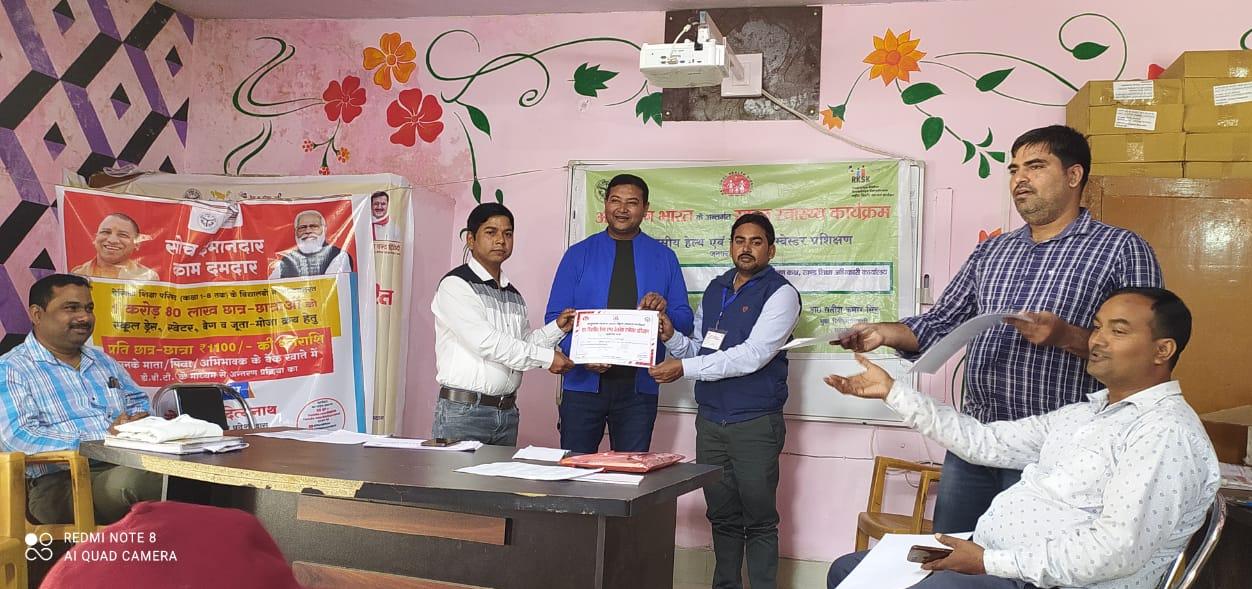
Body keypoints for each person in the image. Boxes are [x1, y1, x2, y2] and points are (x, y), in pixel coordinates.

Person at [836, 125, 1163, 532]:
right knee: (949, 551)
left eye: (1035, 167)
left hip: (1057, 449)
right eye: (1013, 169)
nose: (1019, 179)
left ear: (1074, 175)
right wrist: (883, 333)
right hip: (975, 439)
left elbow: (1142, 356)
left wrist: (1066, 336)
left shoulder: (1121, 249)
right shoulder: (993, 251)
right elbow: (940, 323)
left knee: (1025, 558)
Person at [824, 288, 1219, 589]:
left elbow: (1117, 550)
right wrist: (892, 392)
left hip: (1043, 580)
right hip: (998, 560)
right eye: (1097, 326)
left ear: (1162, 350)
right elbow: (983, 442)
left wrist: (987, 562)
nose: (1096, 340)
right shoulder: (1084, 414)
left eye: (1118, 331)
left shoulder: (1164, 433)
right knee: (848, 570)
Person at [649, 213, 800, 589]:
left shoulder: (781, 294)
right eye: (739, 240)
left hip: (754, 423)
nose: (746, 248)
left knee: (759, 519)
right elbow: (702, 349)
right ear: (731, 245)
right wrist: (670, 336)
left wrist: (684, 367)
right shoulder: (716, 289)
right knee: (722, 516)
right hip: (711, 422)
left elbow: (752, 356)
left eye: (756, 241)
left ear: (771, 250)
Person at [545, 173, 693, 453]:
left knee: (630, 471)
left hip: (639, 388)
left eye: (632, 202)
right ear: (605, 204)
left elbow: (684, 320)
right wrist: (582, 355)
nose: (622, 209)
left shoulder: (664, 257)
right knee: (575, 468)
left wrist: (664, 313)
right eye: (615, 200)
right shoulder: (577, 254)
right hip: (583, 384)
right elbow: (554, 317)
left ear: (645, 208)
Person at [0, 274, 162, 524]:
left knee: (199, 475)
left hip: (128, 464)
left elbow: (139, 406)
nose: (84, 317)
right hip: (61, 485)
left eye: (88, 308)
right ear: (37, 314)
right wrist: (105, 440)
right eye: (71, 308)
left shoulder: (103, 361)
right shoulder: (12, 368)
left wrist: (140, 426)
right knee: (143, 482)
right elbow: (18, 438)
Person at [431, 203, 575, 445]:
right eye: (491, 232)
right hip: (463, 413)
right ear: (470, 239)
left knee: (501, 472)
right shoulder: (456, 285)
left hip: (506, 413)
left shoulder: (513, 295)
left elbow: (522, 343)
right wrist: (548, 359)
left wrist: (557, 328)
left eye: (507, 234)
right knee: (456, 473)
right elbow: (487, 343)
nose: (500, 240)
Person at [71, 213, 159, 281]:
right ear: (95, 238)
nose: (112, 240)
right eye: (106, 232)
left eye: (123, 235)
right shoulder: (78, 274)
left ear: (137, 244)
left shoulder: (147, 277)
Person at [269, 209, 354, 278]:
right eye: (302, 227)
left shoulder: (339, 256)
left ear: (324, 229)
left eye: (314, 226)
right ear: (296, 232)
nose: (308, 231)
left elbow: (332, 287)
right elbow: (272, 286)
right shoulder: (286, 260)